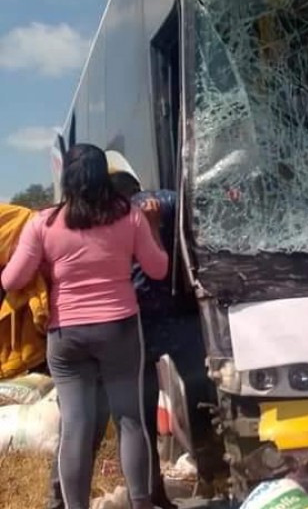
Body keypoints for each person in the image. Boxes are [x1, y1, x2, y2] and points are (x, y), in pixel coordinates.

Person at [1, 143, 168, 509]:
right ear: (103, 177)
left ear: (67, 179)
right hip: (119, 330)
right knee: (130, 420)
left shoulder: (43, 223)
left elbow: (12, 281)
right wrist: (153, 228)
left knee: (76, 424)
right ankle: (142, 503)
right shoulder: (130, 216)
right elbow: (157, 270)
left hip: (66, 337)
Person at [46, 155, 182, 509]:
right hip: (127, 335)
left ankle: (65, 499)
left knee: (82, 425)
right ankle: (147, 496)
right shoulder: (141, 211)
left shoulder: (74, 221)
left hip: (109, 336)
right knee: (127, 422)